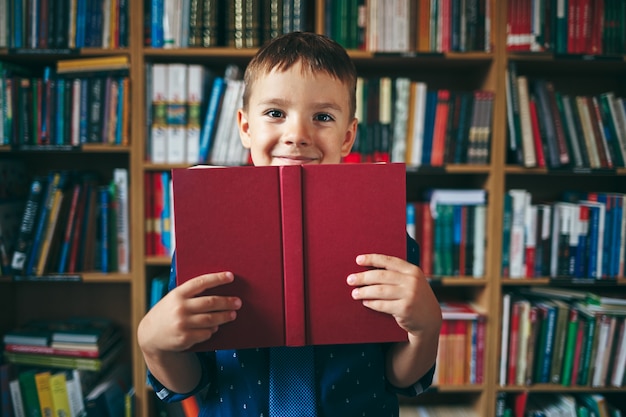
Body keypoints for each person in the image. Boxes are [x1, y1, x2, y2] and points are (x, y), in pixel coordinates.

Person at [138, 31, 442, 416]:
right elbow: (193, 382)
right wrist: (154, 344)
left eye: (323, 117)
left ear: (347, 137)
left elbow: (399, 378)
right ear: (245, 128)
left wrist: (426, 328)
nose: (297, 135)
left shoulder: (385, 236)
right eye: (275, 113)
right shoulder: (207, 235)